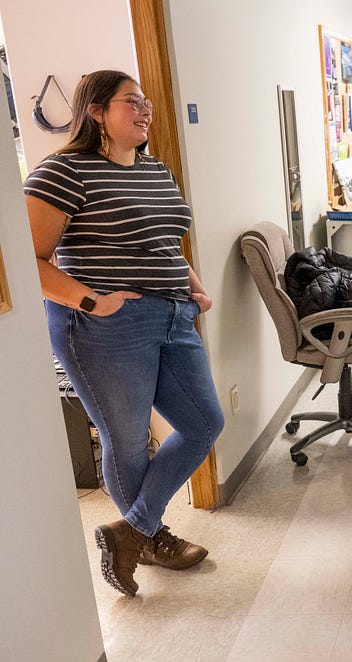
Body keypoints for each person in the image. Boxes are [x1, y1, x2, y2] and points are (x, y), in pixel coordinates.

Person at [24, 70, 224, 597]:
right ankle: (153, 537)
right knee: (129, 439)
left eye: (147, 102)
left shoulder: (153, 167)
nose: (145, 110)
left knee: (204, 422)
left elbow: (166, 242)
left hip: (173, 316)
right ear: (95, 111)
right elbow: (28, 259)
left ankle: (129, 531)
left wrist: (196, 288)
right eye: (131, 102)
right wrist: (93, 301)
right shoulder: (63, 171)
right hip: (103, 325)